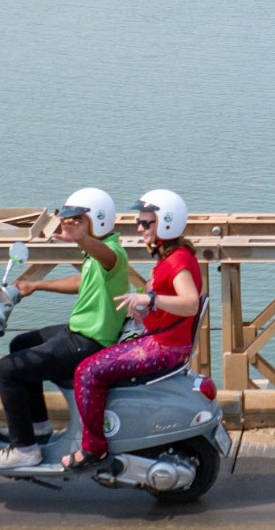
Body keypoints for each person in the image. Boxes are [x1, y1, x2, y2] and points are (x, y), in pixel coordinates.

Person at [0, 188, 131, 469]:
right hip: (80, 331)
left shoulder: (112, 252)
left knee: (6, 370)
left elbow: (107, 257)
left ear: (97, 220)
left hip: (90, 341)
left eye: (78, 219)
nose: (70, 224)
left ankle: (24, 449)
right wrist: (36, 285)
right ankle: (37, 429)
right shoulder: (96, 257)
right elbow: (83, 281)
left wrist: (83, 239)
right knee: (20, 345)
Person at [67, 188, 204, 463]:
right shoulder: (172, 256)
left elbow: (190, 303)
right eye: (138, 223)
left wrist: (150, 298)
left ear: (166, 222)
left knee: (86, 371)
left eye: (145, 223)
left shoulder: (177, 260)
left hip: (164, 347)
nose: (139, 228)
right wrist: (146, 306)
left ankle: (93, 447)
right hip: (162, 339)